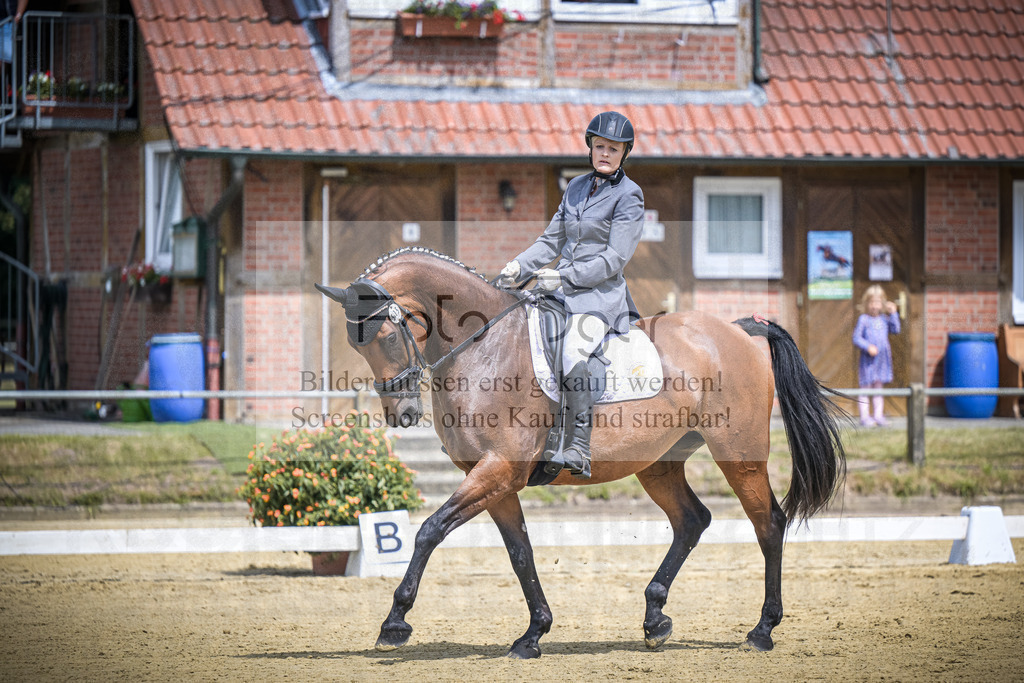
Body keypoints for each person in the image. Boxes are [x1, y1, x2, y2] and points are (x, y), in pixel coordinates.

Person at [499, 111, 645, 478]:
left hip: (600, 299)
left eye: (613, 149)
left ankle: (577, 445)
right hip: (558, 292)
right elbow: (552, 240)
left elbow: (614, 258)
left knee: (571, 350)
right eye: (600, 147)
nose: (605, 154)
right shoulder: (577, 187)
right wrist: (519, 266)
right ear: (590, 148)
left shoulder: (630, 196)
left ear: (624, 152)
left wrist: (562, 277)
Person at [852, 285, 901, 426]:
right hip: (868, 360)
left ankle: (878, 416)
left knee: (878, 388)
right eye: (872, 302)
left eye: (878, 302)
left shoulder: (885, 320)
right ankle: (865, 417)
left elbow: (896, 329)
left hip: (882, 360)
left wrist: (894, 314)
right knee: (866, 387)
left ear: (882, 303)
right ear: (867, 303)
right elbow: (856, 337)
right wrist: (868, 346)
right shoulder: (864, 319)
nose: (874, 306)